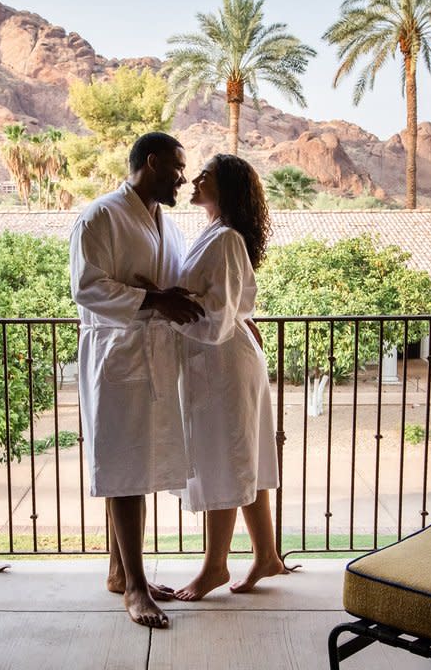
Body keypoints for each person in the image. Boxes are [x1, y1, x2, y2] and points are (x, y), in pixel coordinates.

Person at [68, 132, 205, 629]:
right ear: (151, 162)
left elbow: (171, 284)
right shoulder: (100, 216)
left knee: (139, 464)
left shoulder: (166, 225)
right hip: (118, 356)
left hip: (155, 355)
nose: (182, 178)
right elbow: (85, 286)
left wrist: (171, 297)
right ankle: (135, 587)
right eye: (176, 168)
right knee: (125, 470)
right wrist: (152, 300)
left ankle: (118, 572)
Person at [164, 154, 286, 601]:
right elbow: (228, 305)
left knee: (224, 461)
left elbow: (215, 321)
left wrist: (163, 311)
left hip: (223, 364)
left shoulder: (227, 240)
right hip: (222, 362)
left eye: (207, 175)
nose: (195, 178)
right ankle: (267, 556)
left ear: (227, 187)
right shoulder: (216, 234)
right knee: (242, 459)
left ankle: (214, 568)